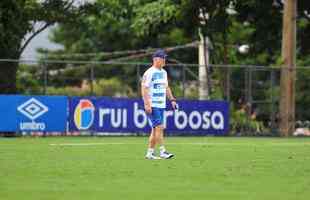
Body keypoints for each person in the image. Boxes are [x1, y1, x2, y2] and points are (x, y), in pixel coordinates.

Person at [141, 49, 177, 159]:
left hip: (161, 105)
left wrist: (172, 100)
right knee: (160, 127)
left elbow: (166, 87)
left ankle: (150, 153)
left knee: (155, 129)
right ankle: (162, 151)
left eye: (165, 58)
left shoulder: (164, 72)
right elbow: (144, 88)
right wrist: (147, 104)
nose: (165, 60)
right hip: (153, 105)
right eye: (163, 58)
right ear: (156, 59)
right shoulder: (149, 72)